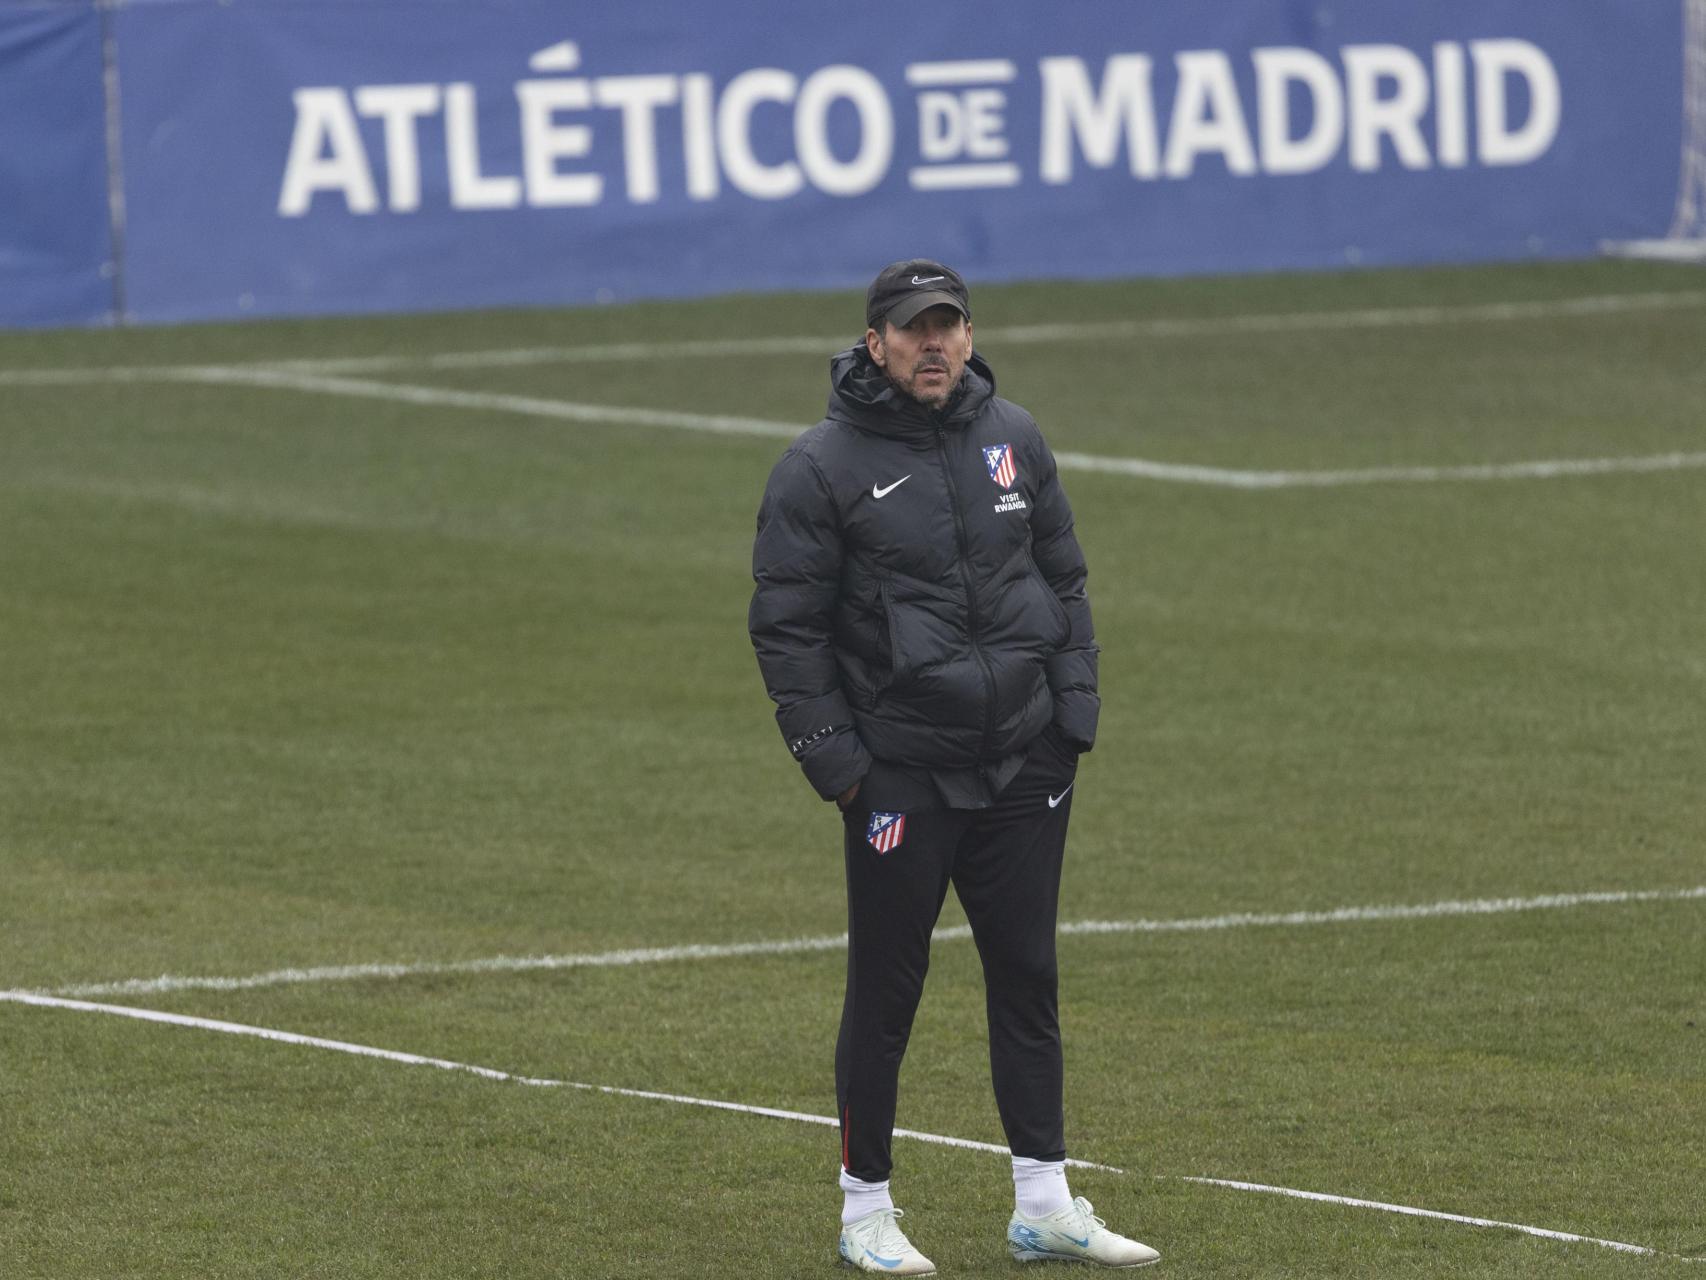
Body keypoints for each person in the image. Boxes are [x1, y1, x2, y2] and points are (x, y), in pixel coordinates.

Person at [748, 260, 1159, 1273]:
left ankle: (1043, 1200)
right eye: (910, 328)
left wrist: (1071, 718)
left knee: (1026, 974)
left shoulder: (1011, 438)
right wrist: (842, 767)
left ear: (968, 336)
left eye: (946, 325)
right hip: (899, 775)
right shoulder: (819, 466)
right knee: (886, 991)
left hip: (1023, 763)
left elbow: (1062, 577)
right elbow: (785, 631)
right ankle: (864, 1209)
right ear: (875, 341)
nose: (931, 344)